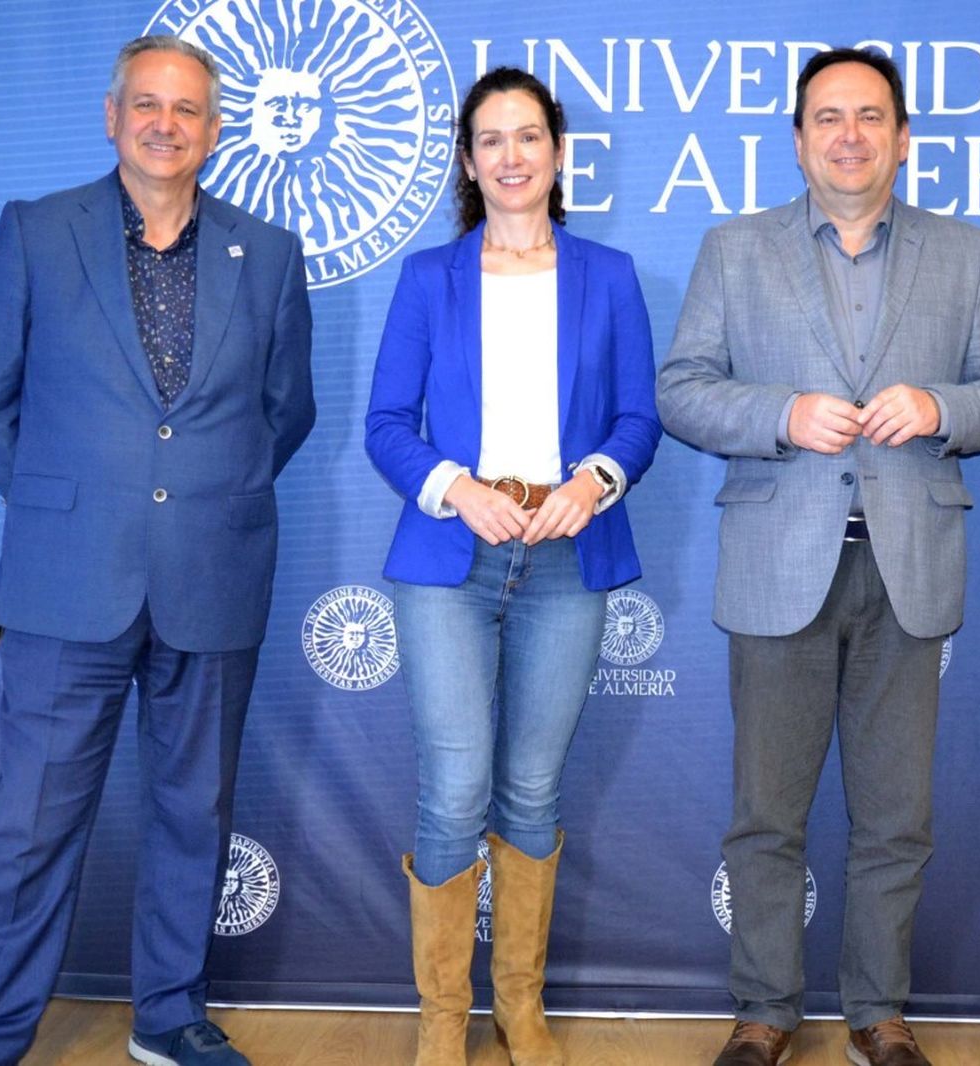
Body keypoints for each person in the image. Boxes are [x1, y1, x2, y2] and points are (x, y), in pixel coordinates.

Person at [0, 34, 315, 1066]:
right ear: (111, 118)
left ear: (215, 129)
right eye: (145, 104)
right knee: (30, 829)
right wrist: (64, 503)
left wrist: (194, 500)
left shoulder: (268, 254)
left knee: (195, 816)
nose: (165, 124)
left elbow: (285, 413)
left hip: (214, 573)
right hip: (68, 583)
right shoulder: (34, 231)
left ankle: (169, 1017)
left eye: (187, 109)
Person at [657, 47, 980, 1066]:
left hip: (907, 570)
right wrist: (779, 412)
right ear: (798, 138)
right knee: (765, 817)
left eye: (871, 116)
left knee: (895, 819)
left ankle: (880, 1011)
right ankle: (764, 1010)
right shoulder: (734, 250)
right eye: (829, 117)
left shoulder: (964, 253)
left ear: (903, 138)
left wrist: (940, 406)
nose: (850, 135)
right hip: (779, 567)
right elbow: (681, 389)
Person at [364, 66, 660, 1066]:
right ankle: (443, 1018)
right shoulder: (425, 279)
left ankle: (517, 1007)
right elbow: (385, 426)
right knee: (454, 787)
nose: (511, 155)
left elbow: (638, 417)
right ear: (467, 160)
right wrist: (457, 486)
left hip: (568, 555)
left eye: (527, 135)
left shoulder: (610, 276)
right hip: (449, 556)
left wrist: (596, 480)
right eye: (489, 139)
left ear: (558, 151)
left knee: (531, 788)